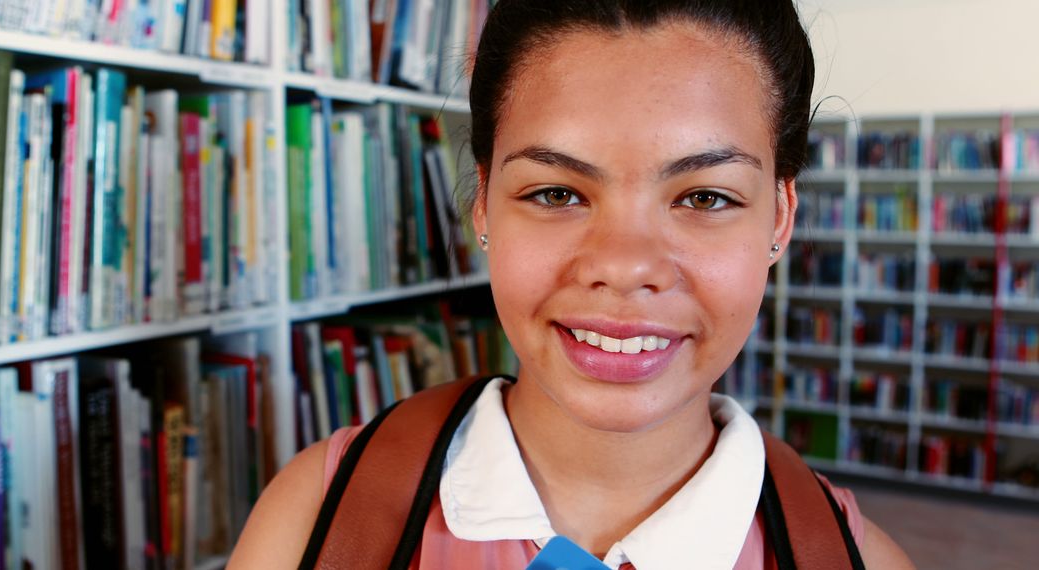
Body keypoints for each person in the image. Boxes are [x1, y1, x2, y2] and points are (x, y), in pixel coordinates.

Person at [231, 1, 914, 567]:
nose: (622, 266)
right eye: (557, 192)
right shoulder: (317, 520)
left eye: (704, 198)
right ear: (483, 207)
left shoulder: (857, 559)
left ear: (780, 218)